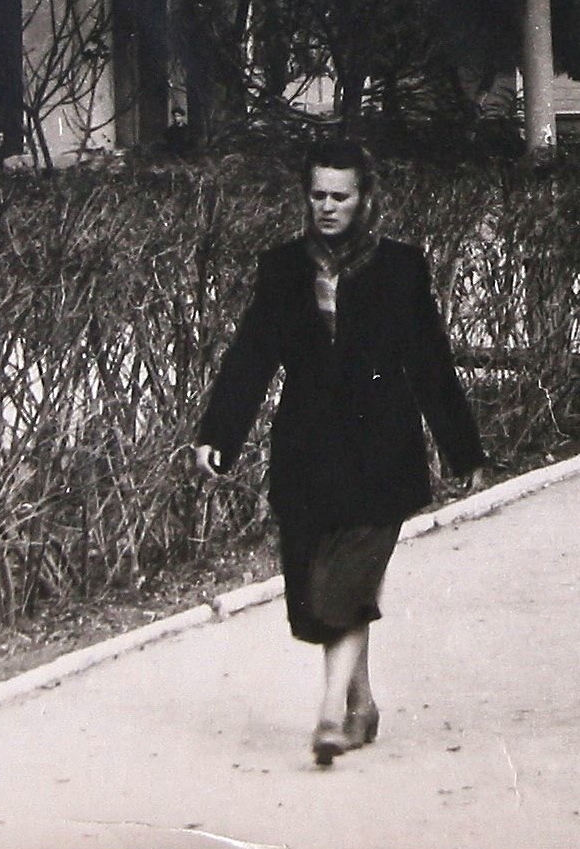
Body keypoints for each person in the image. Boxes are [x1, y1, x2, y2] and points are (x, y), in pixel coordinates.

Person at [192, 140, 486, 767]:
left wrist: (463, 450)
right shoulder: (283, 269)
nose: (327, 207)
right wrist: (218, 435)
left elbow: (430, 361)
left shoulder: (402, 268)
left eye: (340, 196)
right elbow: (251, 358)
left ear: (365, 199)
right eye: (317, 195)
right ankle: (362, 704)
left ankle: (328, 715)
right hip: (305, 450)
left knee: (346, 583)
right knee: (312, 588)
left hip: (382, 450)